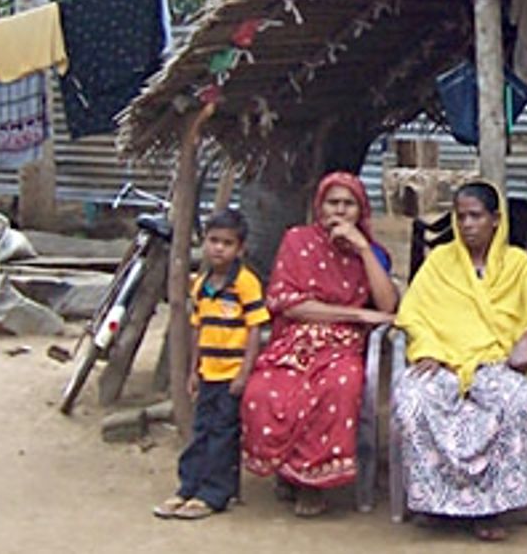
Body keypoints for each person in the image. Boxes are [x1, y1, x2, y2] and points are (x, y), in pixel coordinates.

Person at [393, 180, 527, 542]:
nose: (467, 224)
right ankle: (436, 502)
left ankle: (491, 509)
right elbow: (412, 313)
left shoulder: (517, 263)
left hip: (496, 362)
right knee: (414, 400)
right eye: (461, 216)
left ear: (495, 220)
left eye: (476, 216)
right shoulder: (439, 262)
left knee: (515, 403)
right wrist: (428, 348)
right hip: (444, 360)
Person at [240, 172, 397, 517]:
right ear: (319, 207)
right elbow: (288, 303)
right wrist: (356, 314)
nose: (339, 211)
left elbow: (387, 306)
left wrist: (362, 248)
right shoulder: (297, 241)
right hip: (294, 339)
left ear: (361, 210)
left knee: (339, 386)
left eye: (348, 204)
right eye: (332, 203)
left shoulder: (372, 252)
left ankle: (312, 484)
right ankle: (287, 469)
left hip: (343, 345)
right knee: (264, 390)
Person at [154, 208, 265, 520]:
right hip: (208, 373)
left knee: (223, 434)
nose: (219, 248)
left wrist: (244, 372)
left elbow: (255, 329)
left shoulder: (245, 283)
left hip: (231, 375)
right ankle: (188, 487)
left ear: (240, 249)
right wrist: (193, 370)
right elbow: (198, 329)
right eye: (213, 241)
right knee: (201, 431)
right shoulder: (201, 284)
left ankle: (215, 494)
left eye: (227, 243)